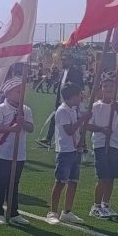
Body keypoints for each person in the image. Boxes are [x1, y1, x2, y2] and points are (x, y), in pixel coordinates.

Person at [0, 78, 34, 226]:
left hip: (19, 153)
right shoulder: (1, 109)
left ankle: (13, 212)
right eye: (17, 91)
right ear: (8, 93)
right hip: (4, 152)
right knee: (2, 182)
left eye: (22, 91)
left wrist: (23, 122)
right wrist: (11, 128)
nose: (21, 94)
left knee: (14, 183)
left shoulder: (26, 109)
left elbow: (30, 128)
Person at [47, 83, 91, 225]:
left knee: (73, 182)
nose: (80, 97)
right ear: (72, 97)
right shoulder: (62, 111)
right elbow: (69, 130)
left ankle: (67, 212)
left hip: (75, 150)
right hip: (65, 151)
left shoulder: (72, 109)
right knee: (60, 182)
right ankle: (52, 212)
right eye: (79, 95)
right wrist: (82, 119)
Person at [87, 74, 118, 219]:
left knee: (111, 177)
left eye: (111, 86)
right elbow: (88, 125)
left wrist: (117, 109)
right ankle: (96, 206)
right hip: (100, 144)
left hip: (114, 144)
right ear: (101, 89)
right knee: (103, 176)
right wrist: (102, 129)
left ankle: (106, 204)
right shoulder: (95, 106)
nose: (109, 89)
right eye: (105, 86)